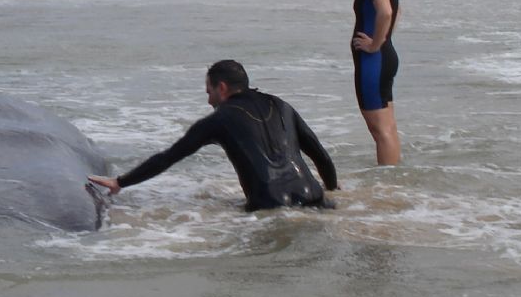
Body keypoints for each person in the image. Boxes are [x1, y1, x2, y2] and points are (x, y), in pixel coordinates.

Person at [87, 60, 339, 211]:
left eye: (208, 92)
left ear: (222, 88)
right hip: (315, 197)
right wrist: (331, 189)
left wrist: (121, 182)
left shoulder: (220, 119)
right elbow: (320, 155)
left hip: (269, 206)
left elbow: (168, 158)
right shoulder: (281, 105)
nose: (208, 100)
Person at [349, 0, 401, 165]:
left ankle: (387, 188)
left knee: (380, 130)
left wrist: (374, 44)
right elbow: (397, 11)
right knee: (387, 127)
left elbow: (386, 12)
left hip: (374, 60)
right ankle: (392, 183)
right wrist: (385, 39)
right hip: (383, 57)